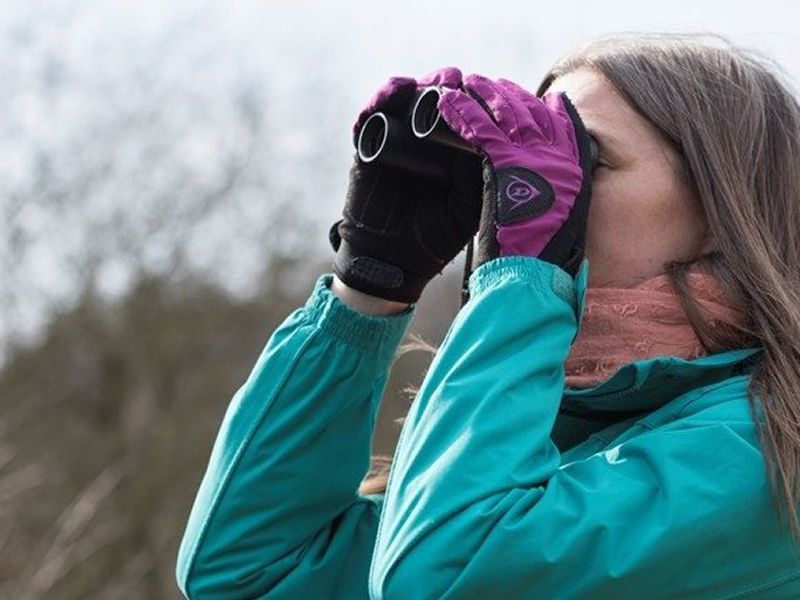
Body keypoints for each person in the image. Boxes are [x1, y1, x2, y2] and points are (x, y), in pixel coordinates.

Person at [175, 33, 800, 599]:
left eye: (586, 161)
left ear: (725, 206)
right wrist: (368, 288)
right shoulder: (544, 430)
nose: (524, 185)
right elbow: (249, 574)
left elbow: (448, 578)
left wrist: (522, 285)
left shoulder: (770, 452)